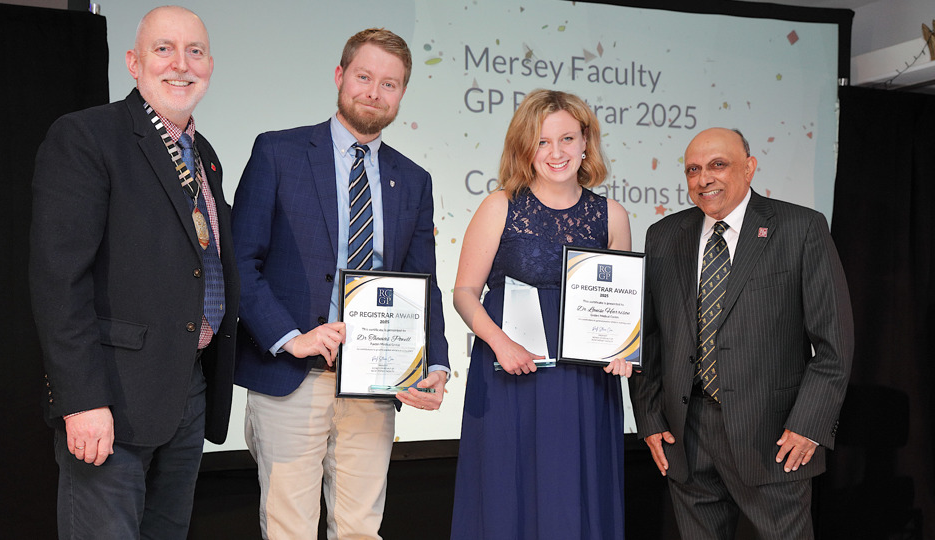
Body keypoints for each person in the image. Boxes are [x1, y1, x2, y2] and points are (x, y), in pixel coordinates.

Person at [231, 28, 449, 539]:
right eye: (365, 77)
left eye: (390, 84)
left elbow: (423, 282)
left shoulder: (413, 179)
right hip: (291, 376)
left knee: (360, 531)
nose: (374, 92)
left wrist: (433, 361)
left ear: (401, 94)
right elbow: (240, 260)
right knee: (290, 529)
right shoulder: (277, 153)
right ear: (340, 76)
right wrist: (291, 337)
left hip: (372, 385)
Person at [28, 6, 237, 538]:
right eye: (163, 49)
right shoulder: (87, 137)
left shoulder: (203, 155)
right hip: (112, 402)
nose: (180, 64)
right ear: (133, 62)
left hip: (186, 394)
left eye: (194, 52)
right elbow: (59, 282)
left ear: (210, 65)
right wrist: (81, 401)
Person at [628, 127, 854, 539]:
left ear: (749, 168)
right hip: (686, 434)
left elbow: (834, 344)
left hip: (774, 436)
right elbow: (652, 337)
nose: (704, 178)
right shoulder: (663, 236)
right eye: (693, 169)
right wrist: (649, 415)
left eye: (718, 165)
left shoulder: (800, 228)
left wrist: (809, 424)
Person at [450, 89, 634, 540]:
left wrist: (625, 349)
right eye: (543, 141)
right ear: (524, 148)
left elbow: (622, 307)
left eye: (568, 138)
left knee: (575, 494)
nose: (557, 152)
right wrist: (499, 341)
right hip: (509, 372)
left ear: (586, 142)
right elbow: (464, 293)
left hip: (585, 384)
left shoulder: (612, 215)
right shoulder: (500, 206)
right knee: (505, 492)